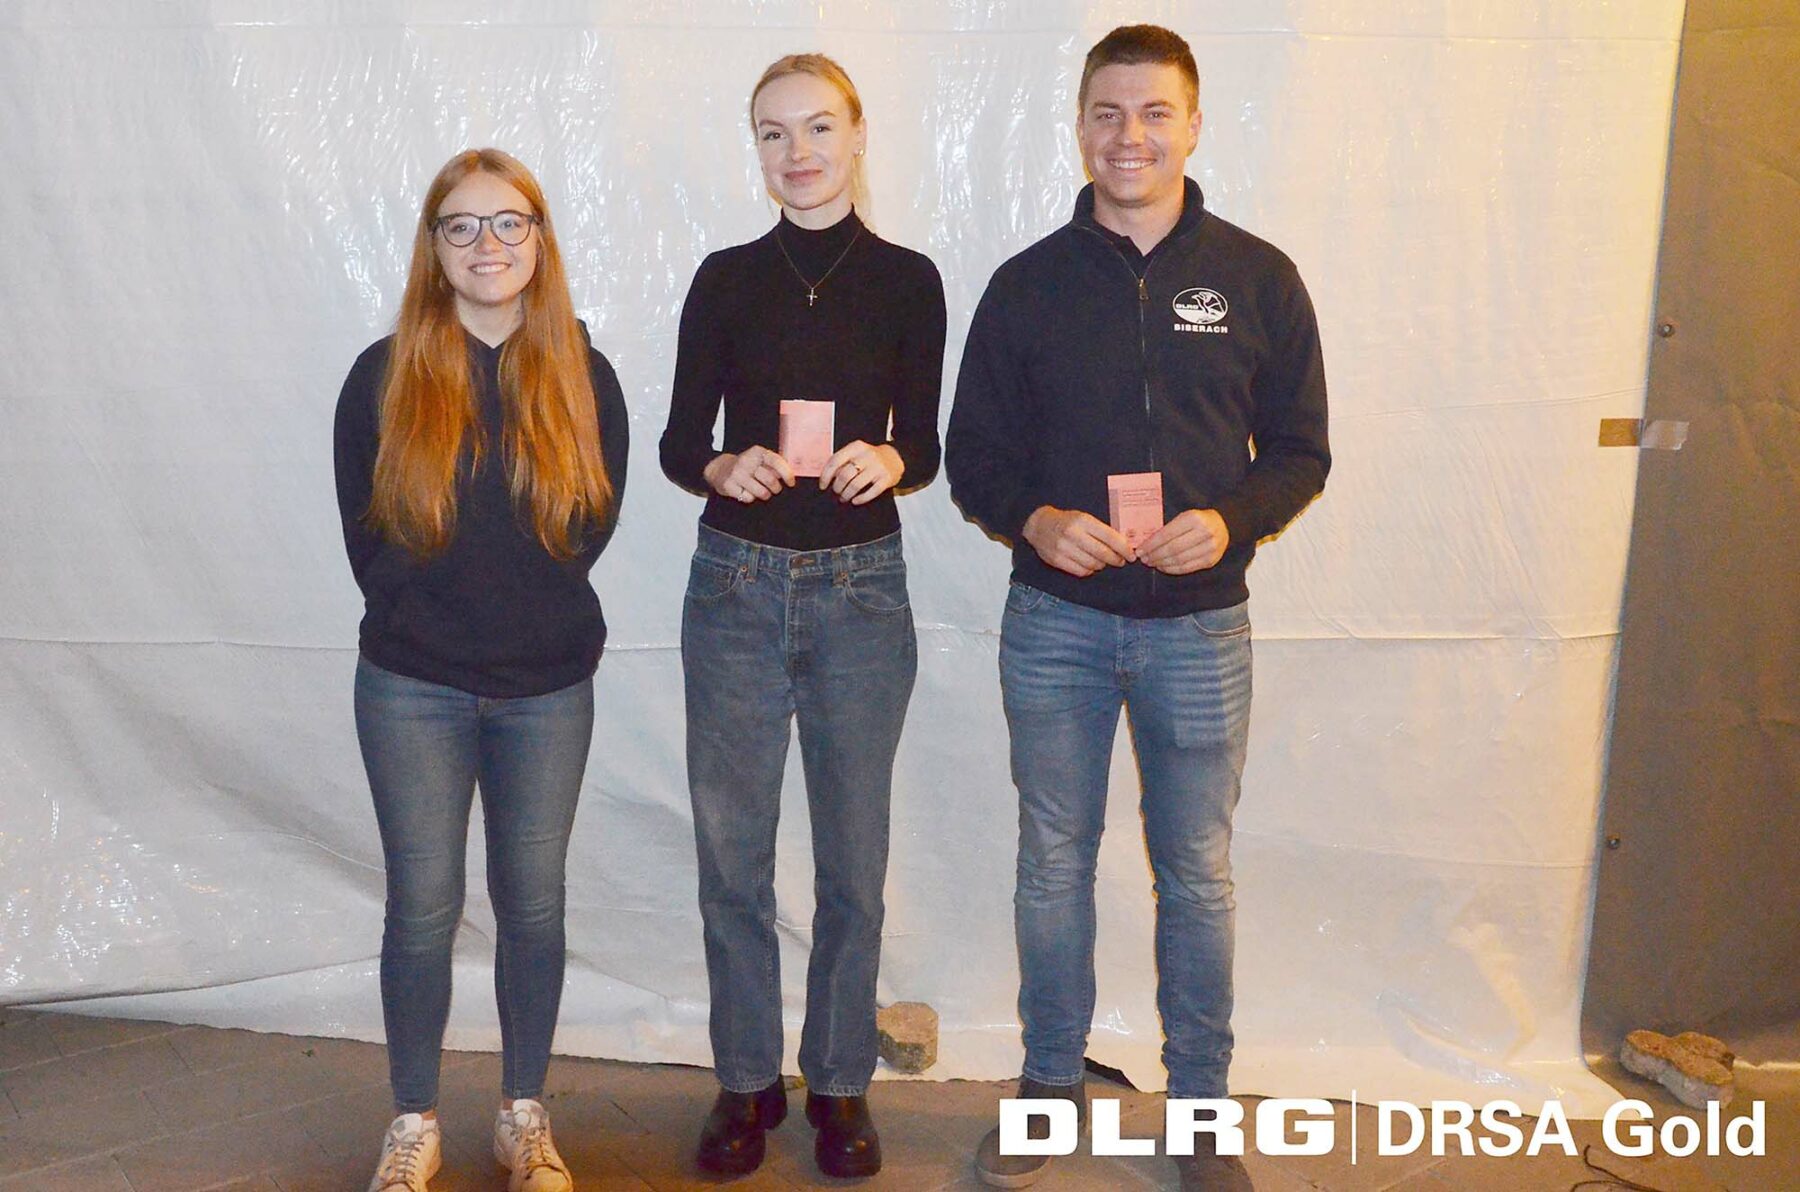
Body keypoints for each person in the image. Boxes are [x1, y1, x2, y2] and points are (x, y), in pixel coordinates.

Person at [944, 24, 1330, 1192]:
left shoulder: (1259, 277)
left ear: (1194, 125)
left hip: (1202, 631)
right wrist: (1036, 520)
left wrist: (1233, 520)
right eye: (1109, 112)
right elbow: (972, 457)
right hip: (1056, 625)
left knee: (1196, 873)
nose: (1131, 135)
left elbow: (1303, 451)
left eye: (1155, 112)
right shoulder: (1025, 284)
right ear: (1080, 128)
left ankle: (1201, 1111)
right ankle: (1048, 1089)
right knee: (1052, 860)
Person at [658, 52, 946, 1181]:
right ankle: (745, 1081)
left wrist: (893, 459)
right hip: (735, 586)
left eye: (819, 127)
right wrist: (721, 466)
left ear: (858, 135)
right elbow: (681, 441)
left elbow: (926, 440)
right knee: (731, 857)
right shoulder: (726, 278)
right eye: (774, 133)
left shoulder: (910, 280)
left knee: (852, 864)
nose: (799, 152)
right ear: (757, 149)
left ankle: (838, 1081)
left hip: (861, 592)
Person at [333, 148, 628, 1192]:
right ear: (434, 247)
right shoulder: (382, 376)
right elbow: (365, 536)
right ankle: (413, 1120)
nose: (487, 244)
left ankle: (522, 1114)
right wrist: (438, 618)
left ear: (540, 240)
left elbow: (591, 523)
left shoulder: (585, 375)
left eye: (509, 223)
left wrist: (521, 615)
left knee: (533, 904)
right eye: (461, 225)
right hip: (411, 687)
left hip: (546, 690)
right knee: (421, 907)